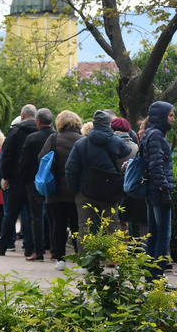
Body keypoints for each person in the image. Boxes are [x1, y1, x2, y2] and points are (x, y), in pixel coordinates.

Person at [65, 110, 132, 248]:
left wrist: (75, 190)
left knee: (84, 227)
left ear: (93, 124)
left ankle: (86, 262)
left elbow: (70, 169)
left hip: (85, 191)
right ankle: (117, 260)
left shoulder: (81, 143)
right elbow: (126, 151)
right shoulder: (115, 141)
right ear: (109, 124)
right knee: (113, 225)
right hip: (109, 192)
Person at [0, 105, 39, 256]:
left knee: (10, 214)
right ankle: (30, 248)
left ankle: (3, 246)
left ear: (22, 115)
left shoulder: (15, 131)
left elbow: (7, 157)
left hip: (16, 180)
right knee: (31, 215)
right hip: (35, 180)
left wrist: (5, 177)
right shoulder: (41, 132)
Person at [41, 111, 84, 269]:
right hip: (77, 192)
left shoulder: (52, 139)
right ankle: (80, 260)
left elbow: (42, 159)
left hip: (55, 191)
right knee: (77, 227)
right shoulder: (83, 140)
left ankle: (60, 259)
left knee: (57, 226)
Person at [141, 102, 177, 280]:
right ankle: (157, 276)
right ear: (161, 116)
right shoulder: (156, 135)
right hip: (158, 191)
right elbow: (156, 165)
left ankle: (151, 277)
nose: (172, 119)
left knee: (154, 234)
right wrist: (164, 189)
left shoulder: (150, 133)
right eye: (170, 116)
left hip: (152, 190)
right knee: (163, 235)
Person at [19, 108, 56, 260]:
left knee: (36, 217)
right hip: (53, 182)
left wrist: (24, 180)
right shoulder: (56, 137)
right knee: (53, 217)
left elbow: (23, 162)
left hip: (34, 181)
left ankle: (38, 251)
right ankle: (55, 251)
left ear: (38, 122)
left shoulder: (32, 138)